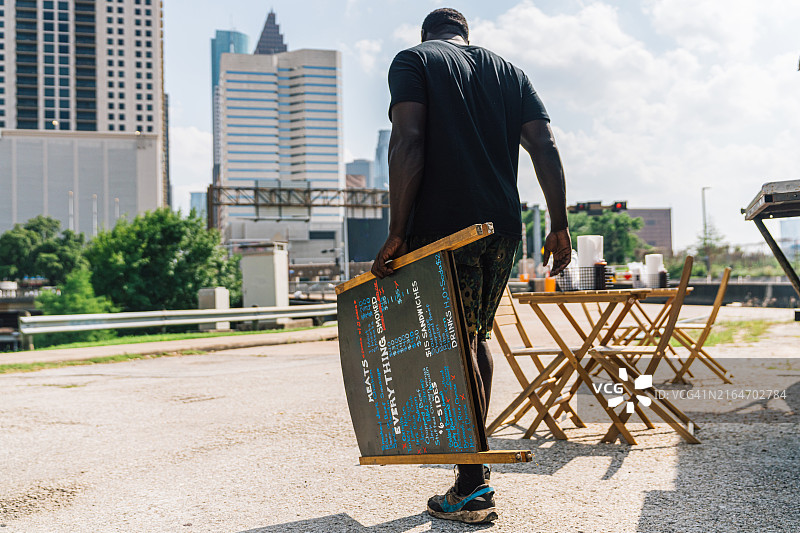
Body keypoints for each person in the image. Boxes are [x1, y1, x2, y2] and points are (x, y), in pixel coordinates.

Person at [371, 7, 572, 525]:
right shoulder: (510, 71)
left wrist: (396, 230)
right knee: (473, 338)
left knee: (453, 345)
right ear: (466, 36)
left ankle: (472, 484)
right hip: (500, 227)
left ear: (428, 35)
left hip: (444, 228)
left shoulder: (413, 61)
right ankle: (470, 474)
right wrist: (559, 223)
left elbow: (408, 140)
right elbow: (544, 147)